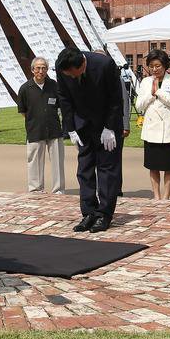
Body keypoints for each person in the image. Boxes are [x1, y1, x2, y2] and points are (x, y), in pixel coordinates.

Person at [56, 47, 124, 233]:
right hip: (83, 125)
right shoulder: (62, 66)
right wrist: (70, 128)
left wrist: (110, 127)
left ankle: (104, 214)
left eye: (73, 74)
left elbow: (116, 98)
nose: (70, 77)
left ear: (82, 64)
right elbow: (64, 98)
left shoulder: (105, 65)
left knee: (107, 169)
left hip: (106, 125)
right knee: (84, 169)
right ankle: (89, 212)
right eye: (67, 75)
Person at [135, 49, 170, 200]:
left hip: (167, 129)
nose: (154, 69)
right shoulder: (145, 81)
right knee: (153, 165)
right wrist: (151, 93)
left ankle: (166, 196)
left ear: (165, 65)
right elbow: (139, 105)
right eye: (151, 66)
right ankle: (156, 196)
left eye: (158, 66)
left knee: (168, 166)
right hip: (151, 129)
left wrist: (159, 92)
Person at [17, 57, 65, 194]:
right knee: (35, 162)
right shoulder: (25, 88)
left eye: (44, 68)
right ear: (32, 70)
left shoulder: (54, 85)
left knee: (57, 162)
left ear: (47, 70)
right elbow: (23, 111)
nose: (41, 71)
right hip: (35, 130)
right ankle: (36, 189)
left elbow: (61, 105)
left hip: (54, 129)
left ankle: (59, 189)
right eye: (38, 68)